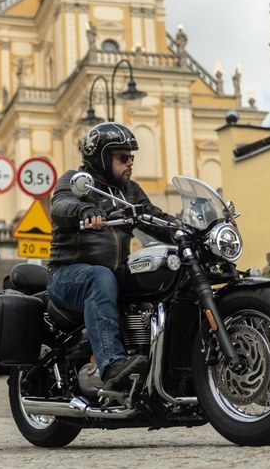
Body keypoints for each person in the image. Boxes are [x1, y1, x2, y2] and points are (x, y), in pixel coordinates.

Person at [46, 122, 178, 392]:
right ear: (100, 157)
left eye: (132, 157)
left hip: (114, 274)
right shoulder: (77, 182)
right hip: (68, 276)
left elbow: (155, 216)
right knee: (101, 276)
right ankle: (111, 364)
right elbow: (60, 205)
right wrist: (83, 209)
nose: (130, 162)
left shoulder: (129, 191)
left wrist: (187, 229)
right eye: (122, 157)